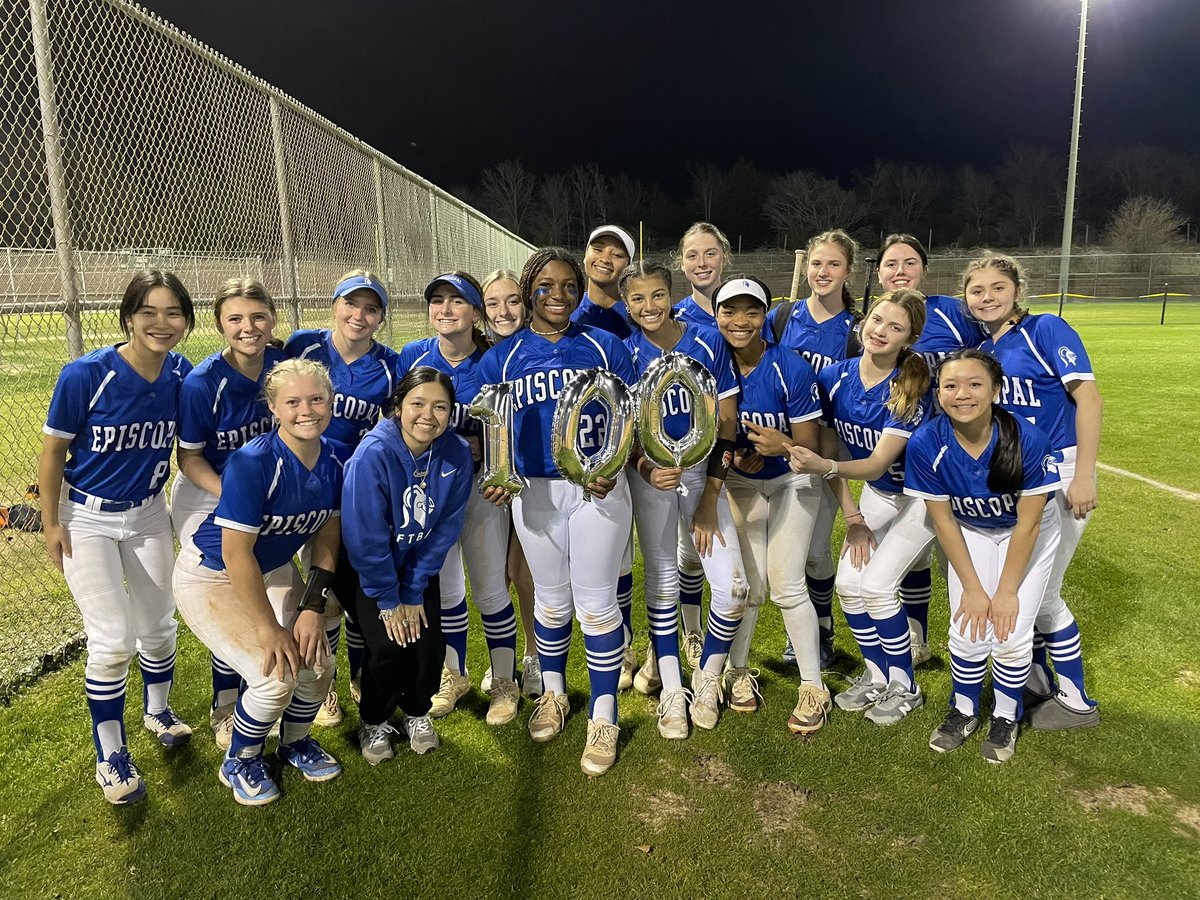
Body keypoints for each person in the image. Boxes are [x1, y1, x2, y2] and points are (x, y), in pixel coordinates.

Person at [478, 247, 637, 776]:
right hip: (535, 491)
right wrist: (496, 470)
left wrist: (616, 459)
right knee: (549, 601)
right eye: (545, 285)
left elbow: (631, 412)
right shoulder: (503, 354)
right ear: (528, 291)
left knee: (594, 602)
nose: (559, 294)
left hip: (597, 486)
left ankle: (603, 712)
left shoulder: (604, 343)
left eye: (569, 285)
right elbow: (478, 418)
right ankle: (553, 693)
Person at [41, 270, 196, 805]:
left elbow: (190, 446)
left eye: (173, 312)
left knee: (158, 625)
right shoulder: (87, 374)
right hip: (86, 516)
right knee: (112, 639)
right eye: (147, 311)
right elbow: (53, 451)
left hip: (150, 513)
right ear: (127, 316)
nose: (161, 322)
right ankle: (110, 752)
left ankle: (157, 710)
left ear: (186, 321)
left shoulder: (181, 373)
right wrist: (50, 522)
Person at [173, 359, 344, 805]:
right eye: (292, 402)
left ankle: (294, 743)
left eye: (316, 399)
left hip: (270, 570)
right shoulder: (254, 462)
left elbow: (327, 533)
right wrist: (269, 629)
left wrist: (310, 606)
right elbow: (235, 554)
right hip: (211, 576)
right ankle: (241, 758)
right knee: (275, 674)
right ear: (273, 407)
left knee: (319, 664)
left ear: (331, 402)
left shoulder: (333, 459)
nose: (306, 410)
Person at [965, 252, 1101, 729]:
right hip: (1020, 475)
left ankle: (1077, 701)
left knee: (1041, 594)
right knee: (1029, 584)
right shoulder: (987, 348)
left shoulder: (1046, 329)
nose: (987, 298)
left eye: (997, 288)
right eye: (977, 291)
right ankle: (1036, 677)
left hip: (1060, 470)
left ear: (1016, 291)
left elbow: (1088, 396)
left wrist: (1083, 472)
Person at [905, 349, 1062, 762]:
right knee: (968, 625)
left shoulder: (1028, 439)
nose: (962, 394)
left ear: (996, 390)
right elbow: (944, 522)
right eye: (950, 385)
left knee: (1010, 632)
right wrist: (974, 589)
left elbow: (1027, 525)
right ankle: (964, 709)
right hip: (971, 530)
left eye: (975, 384)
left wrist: (1006, 592)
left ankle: (1006, 715)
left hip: (1029, 532)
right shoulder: (927, 442)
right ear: (937, 393)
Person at [788, 290, 934, 726]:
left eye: (895, 327)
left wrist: (824, 464)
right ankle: (876, 675)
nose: (881, 331)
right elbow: (832, 445)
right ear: (863, 320)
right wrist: (852, 518)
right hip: (880, 494)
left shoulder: (911, 385)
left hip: (925, 497)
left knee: (877, 586)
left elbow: (875, 461)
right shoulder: (835, 375)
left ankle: (906, 687)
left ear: (910, 338)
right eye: (877, 320)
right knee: (849, 584)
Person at [621, 261, 744, 738]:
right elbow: (624, 431)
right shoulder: (626, 351)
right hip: (652, 475)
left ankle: (708, 676)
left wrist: (711, 496)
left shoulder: (707, 340)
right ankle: (673, 687)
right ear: (627, 304)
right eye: (637, 299)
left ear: (670, 295)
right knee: (663, 580)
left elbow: (727, 424)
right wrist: (645, 467)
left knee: (732, 590)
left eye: (656, 295)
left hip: (700, 472)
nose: (648, 307)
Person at [396, 273, 521, 727]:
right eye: (437, 301)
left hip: (482, 489)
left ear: (476, 312)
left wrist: (490, 454)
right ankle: (455, 673)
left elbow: (513, 429)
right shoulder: (412, 357)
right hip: (431, 490)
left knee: (489, 586)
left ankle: (505, 679)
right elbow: (402, 424)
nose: (445, 309)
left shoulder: (495, 359)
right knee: (446, 589)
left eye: (457, 301)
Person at [715, 276, 831, 734]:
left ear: (766, 316)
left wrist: (780, 444)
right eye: (729, 311)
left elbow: (806, 448)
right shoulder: (712, 364)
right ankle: (737, 672)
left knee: (786, 582)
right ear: (717, 315)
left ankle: (813, 685)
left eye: (751, 312)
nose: (740, 321)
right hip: (742, 482)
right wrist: (741, 453)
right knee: (748, 584)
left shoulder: (791, 366)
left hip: (792, 480)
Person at [285, 270, 401, 726]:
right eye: (351, 304)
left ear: (380, 318)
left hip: (352, 493)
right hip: (299, 487)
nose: (359, 315)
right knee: (315, 590)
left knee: (347, 590)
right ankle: (323, 681)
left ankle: (350, 675)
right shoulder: (303, 346)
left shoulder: (389, 366)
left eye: (371, 309)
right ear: (334, 306)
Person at [172, 278, 284, 749]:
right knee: (232, 595)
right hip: (207, 491)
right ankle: (225, 705)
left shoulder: (282, 365)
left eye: (257, 316)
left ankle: (265, 691)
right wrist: (235, 493)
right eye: (235, 318)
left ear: (273, 320)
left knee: (265, 589)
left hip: (260, 490)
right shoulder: (203, 383)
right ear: (219, 324)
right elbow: (189, 457)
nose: (248, 327)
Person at [341, 367, 474, 764]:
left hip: (416, 566)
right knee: (387, 646)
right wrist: (388, 598)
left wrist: (414, 588)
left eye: (440, 407)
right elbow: (364, 538)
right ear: (397, 407)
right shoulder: (372, 455)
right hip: (369, 570)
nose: (427, 416)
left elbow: (446, 526)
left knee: (427, 645)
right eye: (417, 404)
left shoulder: (455, 452)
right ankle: (375, 719)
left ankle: (416, 712)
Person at [875, 233, 984, 663]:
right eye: (890, 264)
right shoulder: (875, 319)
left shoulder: (954, 312)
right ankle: (917, 639)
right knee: (912, 556)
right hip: (896, 458)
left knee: (957, 558)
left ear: (924, 268)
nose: (900, 271)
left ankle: (978, 650)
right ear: (879, 272)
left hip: (956, 455)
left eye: (909, 263)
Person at [764, 229, 863, 668]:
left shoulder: (858, 331)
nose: (822, 272)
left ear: (849, 272)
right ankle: (802, 634)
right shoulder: (781, 317)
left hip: (827, 450)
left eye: (833, 264)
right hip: (776, 451)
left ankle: (822, 626)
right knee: (783, 554)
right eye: (816, 264)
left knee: (817, 551)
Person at [568, 224, 639, 689]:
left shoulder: (636, 314)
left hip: (622, 445)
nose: (605, 258)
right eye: (599, 248)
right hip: (570, 451)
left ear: (626, 265)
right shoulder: (564, 310)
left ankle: (625, 639)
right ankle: (603, 634)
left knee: (622, 553)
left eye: (617, 253)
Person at [671, 222, 735, 668]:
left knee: (744, 566)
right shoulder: (672, 318)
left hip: (745, 452)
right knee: (690, 550)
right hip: (693, 457)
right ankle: (691, 633)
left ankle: (734, 656)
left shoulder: (750, 309)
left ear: (724, 258)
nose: (701, 263)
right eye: (692, 255)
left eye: (710, 254)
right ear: (681, 262)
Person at [481, 269, 540, 696]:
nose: (504, 311)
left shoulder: (538, 350)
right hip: (488, 484)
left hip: (531, 481)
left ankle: (533, 654)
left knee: (521, 570)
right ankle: (499, 660)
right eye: (493, 303)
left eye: (512, 300)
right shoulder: (484, 357)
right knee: (492, 574)